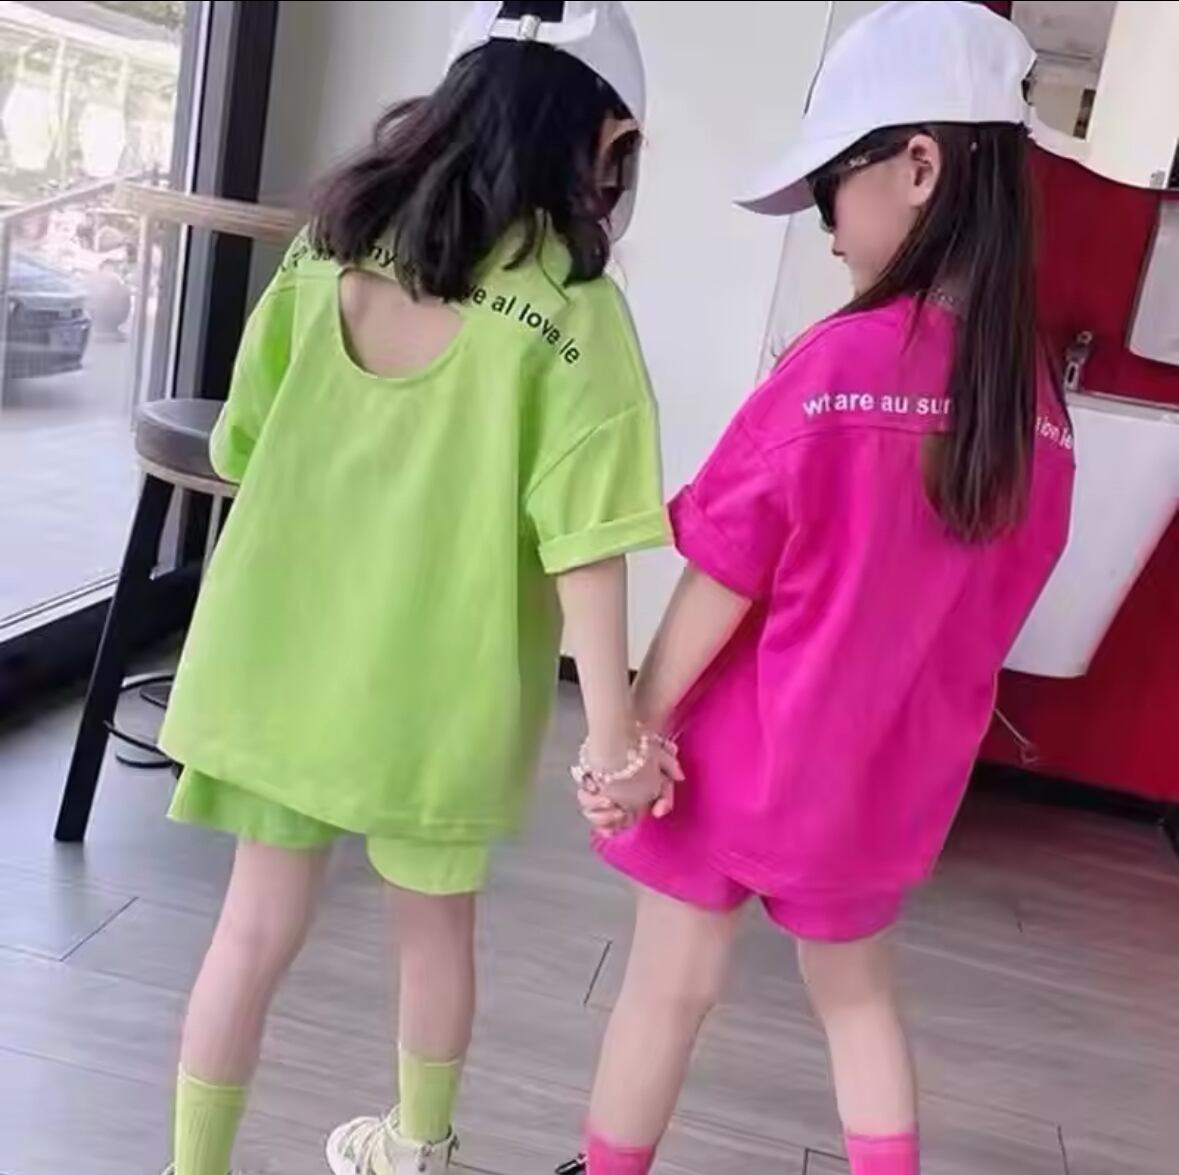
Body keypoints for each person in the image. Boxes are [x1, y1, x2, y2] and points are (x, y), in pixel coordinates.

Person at [156, 4, 676, 1174]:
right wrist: (611, 736)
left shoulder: (327, 246)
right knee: (435, 932)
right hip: (439, 693)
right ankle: (416, 1145)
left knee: (249, 930)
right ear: (604, 138)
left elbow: (240, 446)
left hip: (277, 661)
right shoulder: (574, 310)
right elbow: (589, 541)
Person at [566, 4, 1075, 1174]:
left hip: (737, 761)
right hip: (882, 784)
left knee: (667, 987)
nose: (830, 230)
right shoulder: (1039, 412)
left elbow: (721, 575)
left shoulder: (838, 366)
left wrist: (635, 729)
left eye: (832, 188)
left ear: (919, 166)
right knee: (858, 1000)